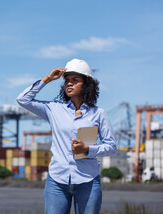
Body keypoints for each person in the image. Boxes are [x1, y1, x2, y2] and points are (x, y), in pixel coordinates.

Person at [16, 58, 116, 214]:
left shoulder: (99, 114)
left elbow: (111, 147)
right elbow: (23, 99)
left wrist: (87, 149)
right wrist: (47, 79)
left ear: (87, 83)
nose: (69, 83)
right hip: (57, 182)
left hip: (88, 181)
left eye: (75, 80)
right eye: (67, 80)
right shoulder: (54, 109)